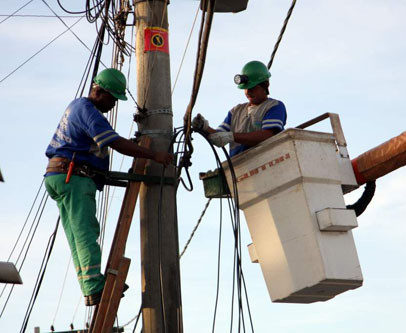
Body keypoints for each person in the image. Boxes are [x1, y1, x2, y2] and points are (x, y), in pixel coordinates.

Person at [44, 68, 172, 306]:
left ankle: (90, 284)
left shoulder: (78, 108)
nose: (114, 104)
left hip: (61, 176)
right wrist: (154, 155)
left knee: (77, 236)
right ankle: (94, 286)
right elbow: (113, 142)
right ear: (99, 91)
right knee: (86, 232)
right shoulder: (87, 110)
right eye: (112, 98)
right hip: (74, 176)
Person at [191, 60, 287, 157]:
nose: (248, 92)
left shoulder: (274, 106)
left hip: (267, 161)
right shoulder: (235, 112)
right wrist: (205, 127)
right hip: (240, 166)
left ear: (265, 85)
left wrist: (232, 136)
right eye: (246, 89)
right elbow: (218, 137)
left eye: (252, 88)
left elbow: (267, 135)